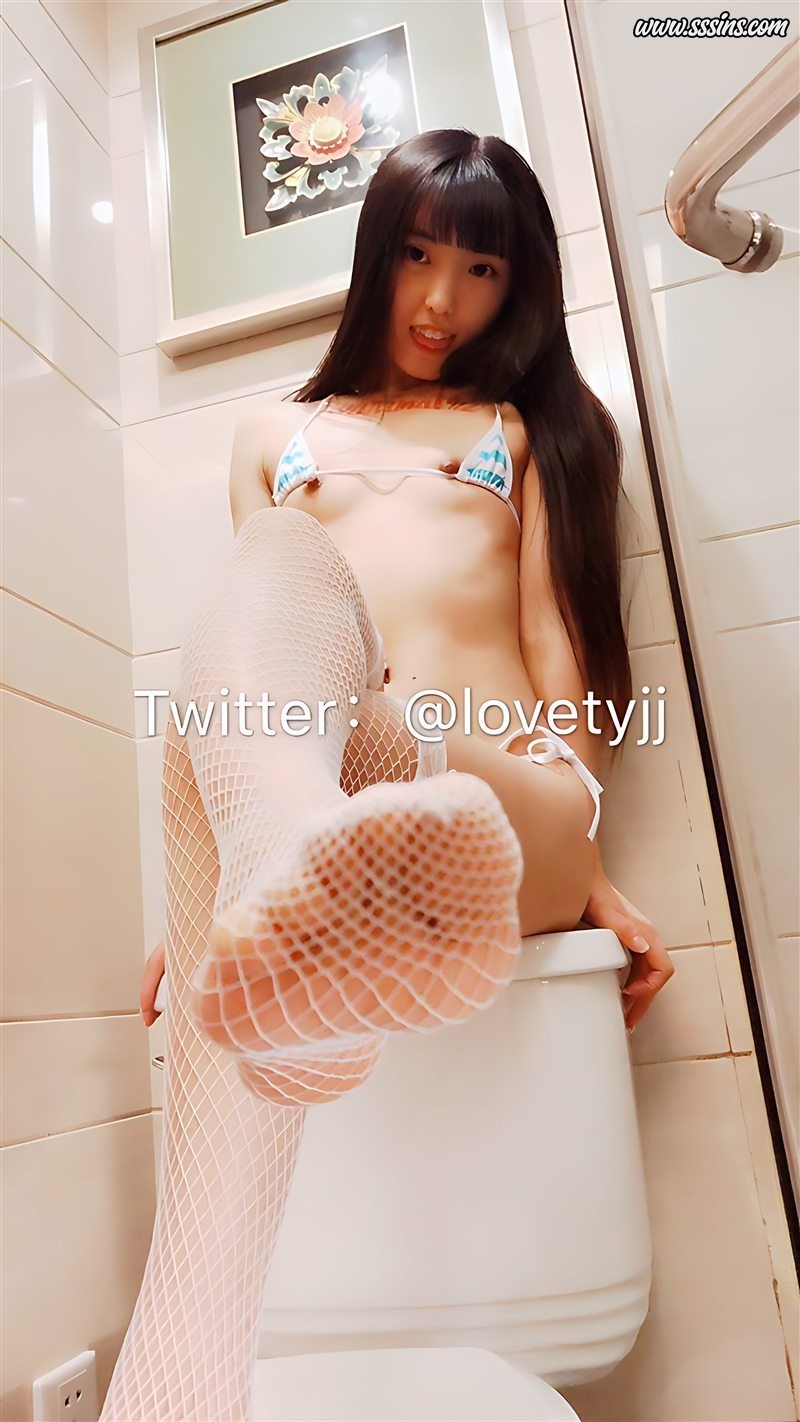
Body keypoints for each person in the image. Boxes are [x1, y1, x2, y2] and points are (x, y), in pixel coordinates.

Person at [108, 130, 672, 1422]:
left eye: (482, 269)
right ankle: (182, 1383)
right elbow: (255, 671)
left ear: (517, 284)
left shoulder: (531, 430)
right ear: (376, 254)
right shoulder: (275, 434)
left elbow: (560, 655)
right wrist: (200, 897)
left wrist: (581, 848)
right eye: (418, 256)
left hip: (511, 797)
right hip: (343, 802)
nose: (440, 300)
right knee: (271, 570)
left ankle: (267, 865)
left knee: (311, 653)